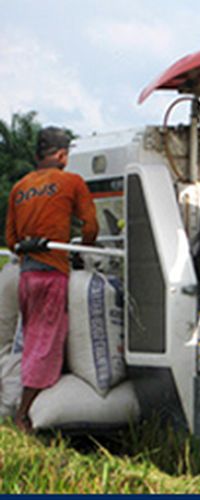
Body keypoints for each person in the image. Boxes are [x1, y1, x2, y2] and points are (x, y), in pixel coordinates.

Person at [5, 126, 99, 432]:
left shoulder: (20, 187)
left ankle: (24, 402)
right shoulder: (71, 181)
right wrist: (84, 248)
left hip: (27, 275)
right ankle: (24, 412)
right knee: (46, 344)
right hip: (51, 274)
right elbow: (90, 226)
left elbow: (11, 239)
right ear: (61, 155)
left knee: (32, 339)